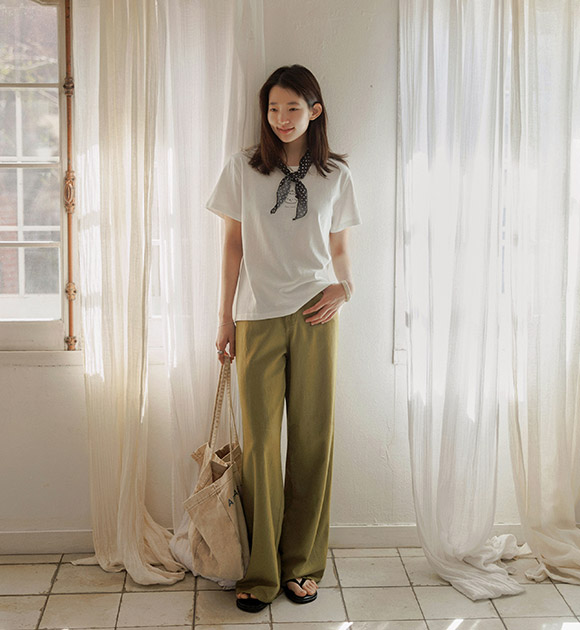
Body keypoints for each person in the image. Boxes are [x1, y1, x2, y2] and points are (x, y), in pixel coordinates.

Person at [206, 64, 361, 612]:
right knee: (261, 446)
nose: (281, 118)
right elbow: (232, 246)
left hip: (317, 314)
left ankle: (302, 565)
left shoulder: (336, 174)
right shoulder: (243, 168)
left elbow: (339, 248)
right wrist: (225, 317)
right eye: (273, 108)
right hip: (256, 315)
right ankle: (262, 569)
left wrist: (346, 288)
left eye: (293, 108)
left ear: (314, 111)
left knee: (314, 439)